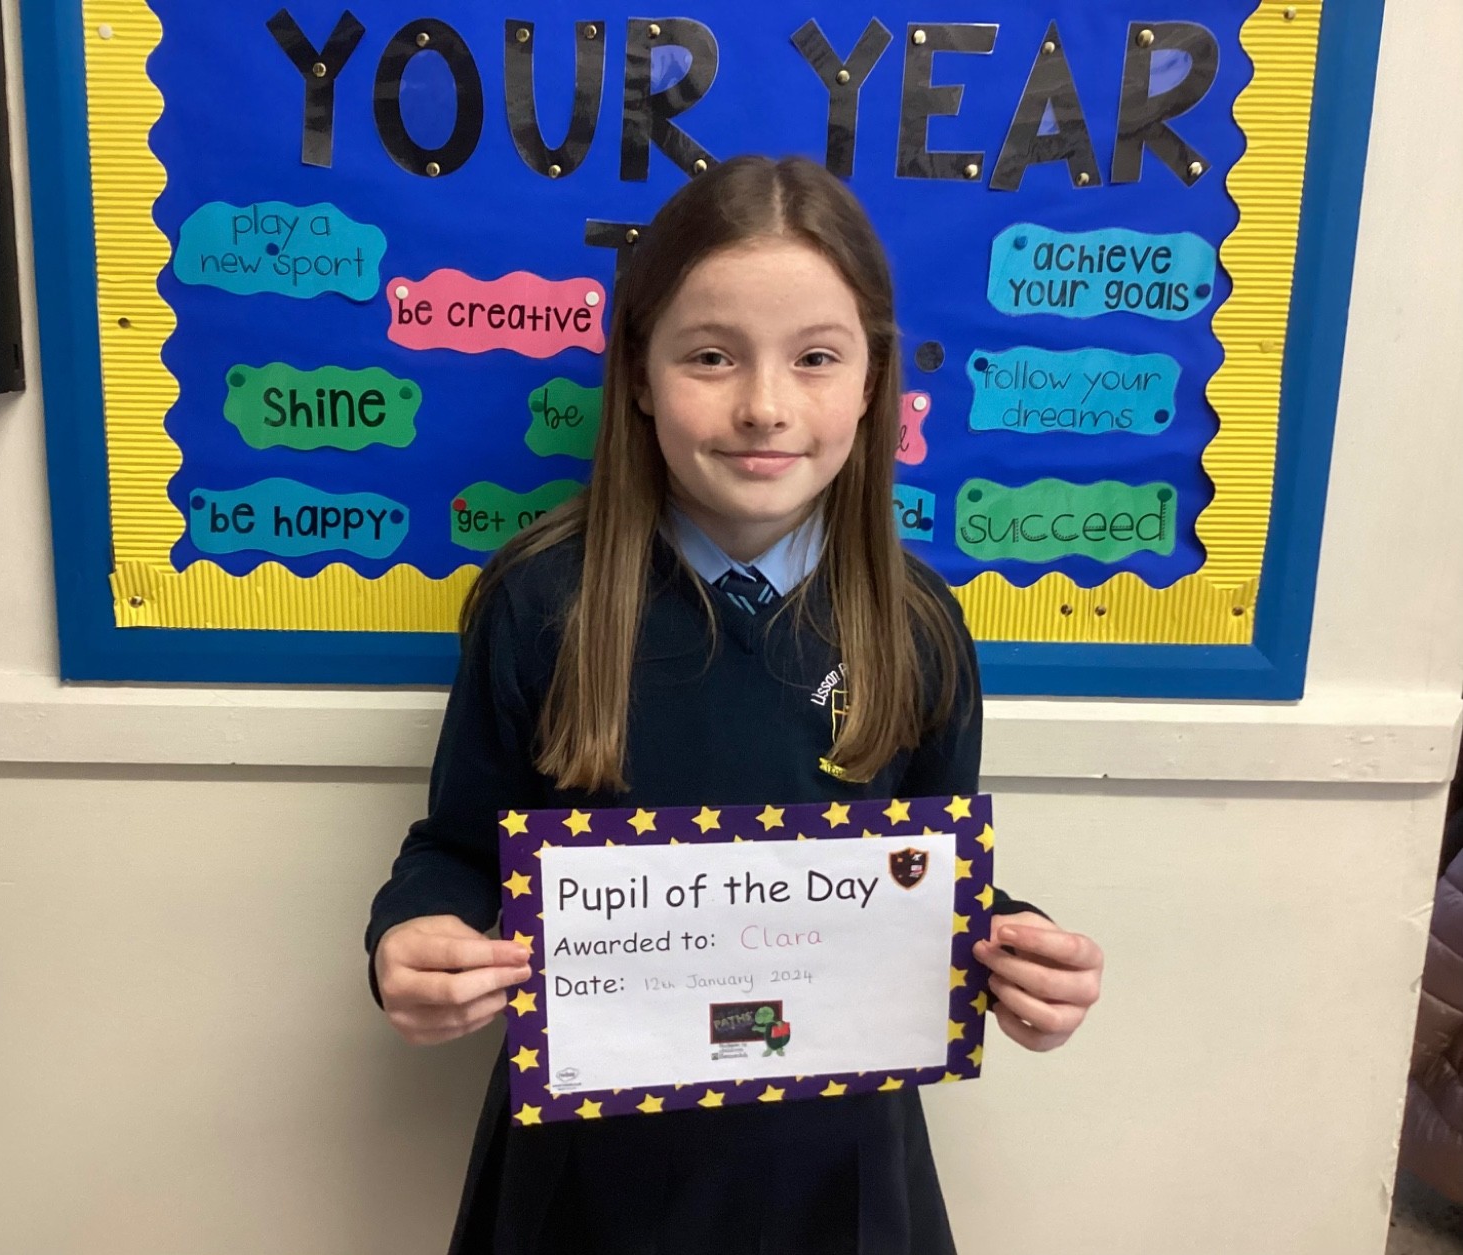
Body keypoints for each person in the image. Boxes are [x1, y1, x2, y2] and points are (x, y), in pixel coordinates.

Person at [366, 153, 1104, 1255]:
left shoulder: (918, 626)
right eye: (711, 356)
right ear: (638, 374)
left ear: (873, 383)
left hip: (840, 1181)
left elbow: (927, 877)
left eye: (816, 358)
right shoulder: (542, 602)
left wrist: (1013, 948)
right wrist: (415, 930)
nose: (765, 407)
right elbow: (460, 846)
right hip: (587, 1187)